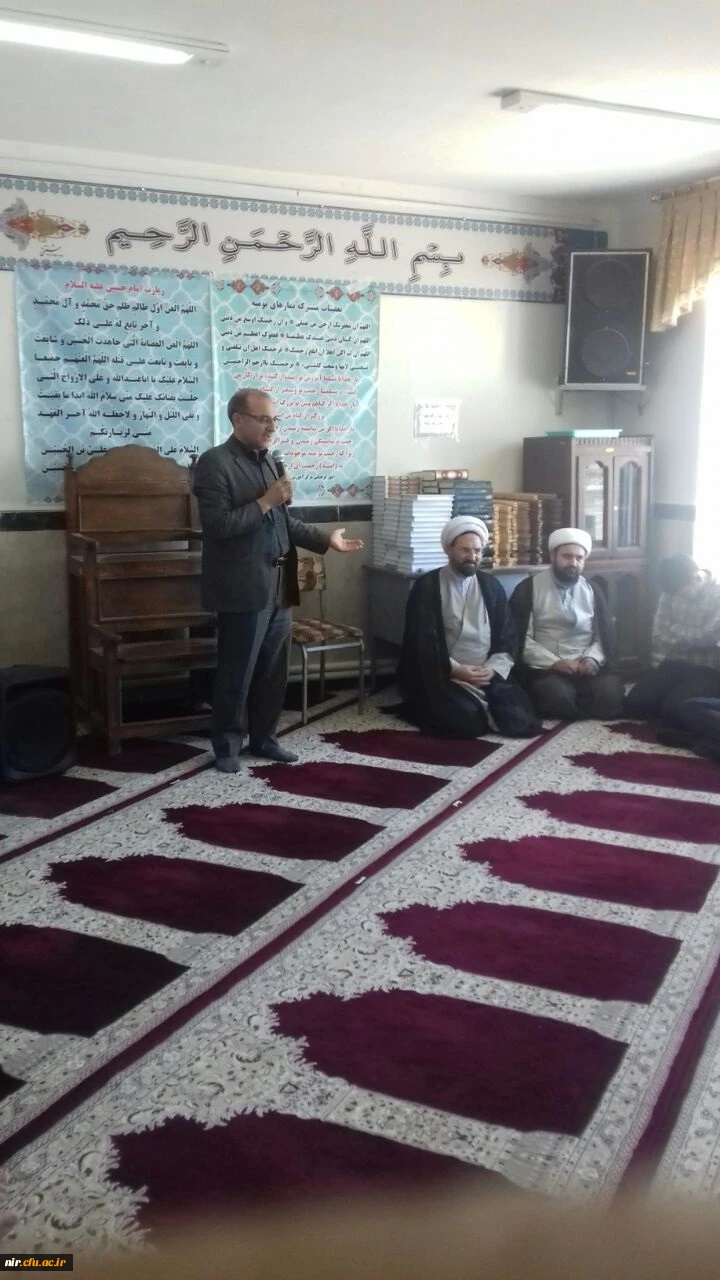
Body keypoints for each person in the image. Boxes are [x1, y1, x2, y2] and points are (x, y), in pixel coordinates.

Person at [193, 389, 363, 772]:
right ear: (238, 420)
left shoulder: (270, 462)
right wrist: (265, 501)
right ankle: (226, 747)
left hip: (279, 585)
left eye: (274, 419)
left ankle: (265, 739)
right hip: (242, 589)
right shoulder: (214, 463)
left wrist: (327, 541)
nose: (272, 427)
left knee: (273, 672)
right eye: (263, 419)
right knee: (237, 672)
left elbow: (285, 522)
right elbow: (217, 527)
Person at [397, 516, 541, 739]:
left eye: (477, 551)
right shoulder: (427, 586)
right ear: (448, 549)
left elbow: (507, 636)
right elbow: (421, 643)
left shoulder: (491, 586)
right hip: (442, 674)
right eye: (465, 550)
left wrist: (492, 669)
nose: (472, 557)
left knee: (519, 717)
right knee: (467, 721)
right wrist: (455, 670)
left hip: (486, 673)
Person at [509, 528, 623, 721]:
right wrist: (554, 662)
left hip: (585, 665)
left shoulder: (592, 590)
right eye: (567, 556)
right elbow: (521, 639)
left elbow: (603, 635)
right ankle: (576, 699)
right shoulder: (528, 589)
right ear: (553, 555)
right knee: (557, 696)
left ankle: (580, 698)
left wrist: (592, 659)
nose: (573, 563)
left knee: (610, 694)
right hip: (546, 666)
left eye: (579, 558)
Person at [624, 553, 720, 726]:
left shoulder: (717, 595)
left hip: (707, 669)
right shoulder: (671, 590)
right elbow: (659, 634)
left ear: (696, 579)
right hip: (674, 662)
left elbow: (708, 637)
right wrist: (693, 638)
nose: (678, 596)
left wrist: (675, 628)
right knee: (635, 704)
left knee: (673, 709)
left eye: (681, 593)